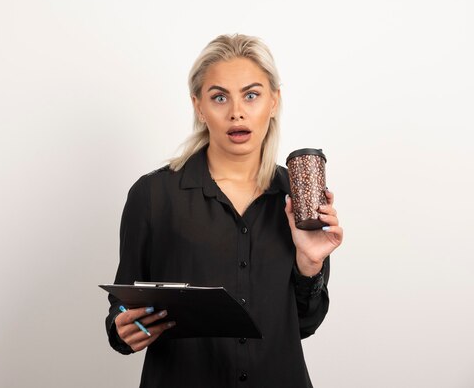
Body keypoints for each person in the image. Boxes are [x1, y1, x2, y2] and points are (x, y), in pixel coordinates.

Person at [104, 34, 344, 387]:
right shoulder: (153, 196)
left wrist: (310, 266)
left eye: (251, 95)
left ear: (274, 101)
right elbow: (121, 310)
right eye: (219, 97)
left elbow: (304, 326)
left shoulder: (300, 199)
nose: (237, 112)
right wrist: (123, 328)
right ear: (199, 106)